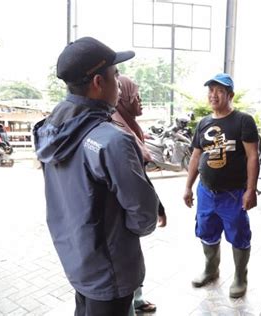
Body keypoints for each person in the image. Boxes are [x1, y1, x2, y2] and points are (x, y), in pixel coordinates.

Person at [33, 37, 161, 316]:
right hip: (110, 269)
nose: (119, 82)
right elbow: (144, 217)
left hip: (77, 258)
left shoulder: (51, 129)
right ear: (98, 83)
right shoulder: (111, 140)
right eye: (116, 75)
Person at [182, 73, 259, 298]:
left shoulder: (243, 120)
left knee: (239, 235)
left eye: (219, 90)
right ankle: (211, 269)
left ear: (230, 95)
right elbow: (196, 156)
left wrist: (250, 190)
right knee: (206, 231)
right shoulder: (204, 123)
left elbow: (252, 156)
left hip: (233, 194)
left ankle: (240, 277)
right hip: (206, 191)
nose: (213, 95)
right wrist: (188, 186)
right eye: (210, 90)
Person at [112, 75, 167, 314]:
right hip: (120, 217)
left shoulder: (129, 126)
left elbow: (140, 176)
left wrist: (158, 205)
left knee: (132, 259)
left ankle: (136, 298)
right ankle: (132, 302)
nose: (141, 101)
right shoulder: (117, 132)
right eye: (136, 96)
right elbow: (129, 181)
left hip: (128, 214)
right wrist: (148, 212)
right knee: (126, 263)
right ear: (123, 98)